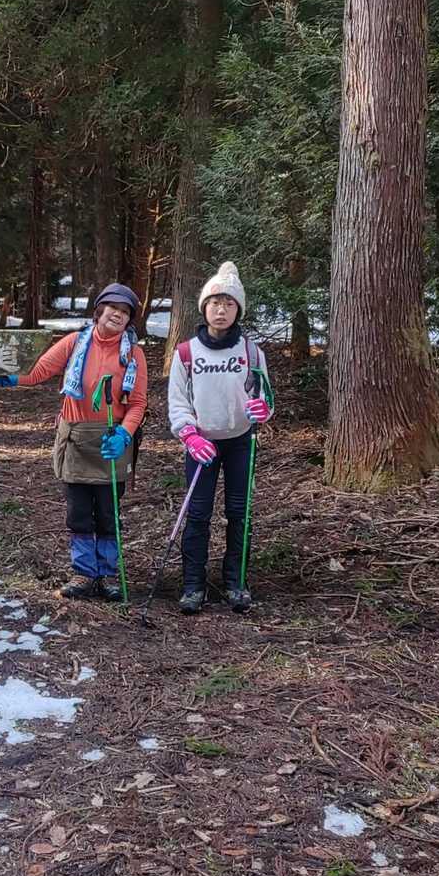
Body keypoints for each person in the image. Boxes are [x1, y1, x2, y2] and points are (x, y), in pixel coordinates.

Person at [0, 284, 148, 600]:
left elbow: (137, 403)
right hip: (74, 439)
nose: (118, 315)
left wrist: (124, 434)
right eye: (113, 308)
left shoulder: (133, 355)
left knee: (108, 512)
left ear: (129, 320)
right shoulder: (75, 343)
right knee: (79, 512)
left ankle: (108, 574)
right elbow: (39, 371)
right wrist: (8, 378)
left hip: (112, 440)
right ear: (99, 310)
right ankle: (84, 574)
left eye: (125, 312)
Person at [166, 261, 274, 615]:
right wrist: (189, 434)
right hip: (202, 444)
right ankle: (193, 586)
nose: (221, 310)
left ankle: (235, 583)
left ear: (238, 310)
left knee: (239, 513)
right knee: (198, 514)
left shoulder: (252, 352)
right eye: (215, 303)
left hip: (240, 441)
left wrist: (263, 409)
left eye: (229, 304)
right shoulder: (186, 353)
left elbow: (265, 395)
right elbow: (178, 402)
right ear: (204, 307)